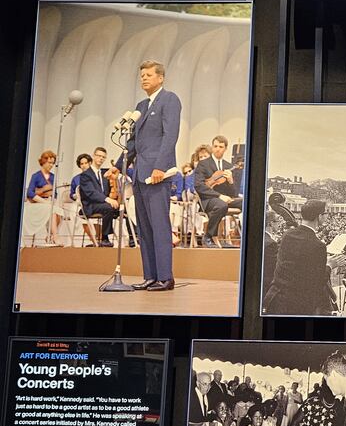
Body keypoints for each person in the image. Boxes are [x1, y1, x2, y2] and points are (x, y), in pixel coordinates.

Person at [119, 60, 180, 292]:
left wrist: (160, 167)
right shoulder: (141, 105)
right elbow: (134, 142)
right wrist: (119, 166)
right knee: (144, 228)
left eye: (148, 75)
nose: (144, 78)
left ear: (160, 78)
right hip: (139, 175)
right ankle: (150, 276)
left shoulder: (170, 99)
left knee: (159, 226)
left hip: (157, 174)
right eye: (141, 75)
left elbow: (170, 135)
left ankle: (166, 277)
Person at [263, 199, 342, 315]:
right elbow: (317, 282)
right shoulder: (318, 245)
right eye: (325, 213)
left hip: (275, 298)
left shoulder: (287, 235)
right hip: (296, 306)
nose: (327, 216)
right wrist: (330, 265)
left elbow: (297, 267)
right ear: (319, 216)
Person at [194, 134, 242, 248]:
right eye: (215, 146)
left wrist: (230, 181)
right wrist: (219, 195)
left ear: (225, 148)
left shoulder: (228, 166)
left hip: (224, 199)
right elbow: (199, 186)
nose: (217, 149)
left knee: (246, 203)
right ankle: (208, 236)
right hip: (208, 199)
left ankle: (247, 236)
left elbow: (233, 194)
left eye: (220, 147)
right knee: (221, 205)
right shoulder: (203, 164)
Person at [76, 152, 120, 246]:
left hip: (102, 203)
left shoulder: (105, 173)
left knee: (123, 207)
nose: (101, 158)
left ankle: (133, 237)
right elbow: (91, 193)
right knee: (109, 207)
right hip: (90, 205)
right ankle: (104, 237)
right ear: (94, 156)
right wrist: (107, 199)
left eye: (103, 157)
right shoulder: (85, 175)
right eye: (99, 156)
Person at [24, 149, 63, 244]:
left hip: (49, 202)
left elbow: (55, 193)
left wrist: (52, 199)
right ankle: (55, 236)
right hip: (37, 203)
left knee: (60, 211)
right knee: (52, 210)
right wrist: (44, 197)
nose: (51, 165)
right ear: (43, 161)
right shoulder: (36, 176)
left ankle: (50, 235)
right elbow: (30, 193)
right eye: (49, 162)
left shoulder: (53, 176)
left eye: (52, 163)